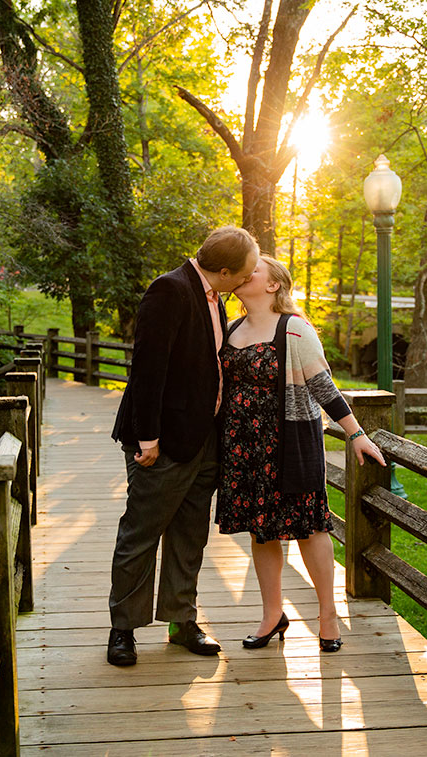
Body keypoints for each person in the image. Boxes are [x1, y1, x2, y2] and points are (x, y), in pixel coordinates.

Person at [107, 226, 260, 666]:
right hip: (161, 442)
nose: (249, 278)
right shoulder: (168, 290)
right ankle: (124, 629)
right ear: (226, 270)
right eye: (246, 271)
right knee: (141, 533)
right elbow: (147, 371)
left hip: (203, 440)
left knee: (190, 533)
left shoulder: (217, 296)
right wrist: (148, 438)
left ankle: (181, 620)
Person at [216, 255, 386, 653]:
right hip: (244, 448)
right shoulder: (231, 328)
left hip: (289, 443)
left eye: (253, 269)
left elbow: (323, 385)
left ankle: (328, 615)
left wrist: (355, 433)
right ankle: (272, 614)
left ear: (274, 285)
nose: (244, 272)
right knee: (263, 531)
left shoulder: (293, 329)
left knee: (310, 527)